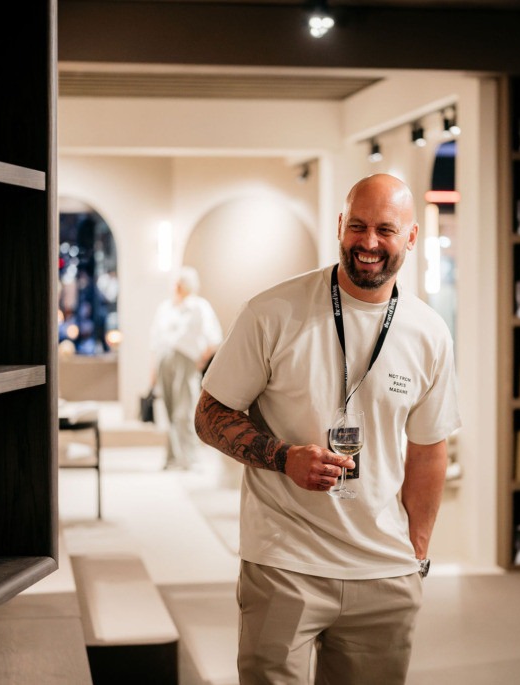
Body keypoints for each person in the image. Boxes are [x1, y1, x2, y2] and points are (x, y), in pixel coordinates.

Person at [194, 174, 460, 684]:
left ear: (411, 237)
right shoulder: (272, 312)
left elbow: (428, 450)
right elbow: (210, 414)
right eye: (357, 226)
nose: (368, 242)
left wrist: (415, 554)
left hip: (384, 572)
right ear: (339, 225)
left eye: (386, 229)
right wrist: (282, 456)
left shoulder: (429, 333)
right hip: (283, 563)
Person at [149, 266, 222, 470]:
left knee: (185, 410)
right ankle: (172, 457)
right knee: (169, 411)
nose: (176, 287)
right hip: (164, 360)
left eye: (180, 283)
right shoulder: (165, 308)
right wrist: (153, 372)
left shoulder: (200, 306)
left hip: (186, 361)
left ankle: (190, 458)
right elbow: (155, 340)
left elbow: (214, 338)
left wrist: (200, 360)